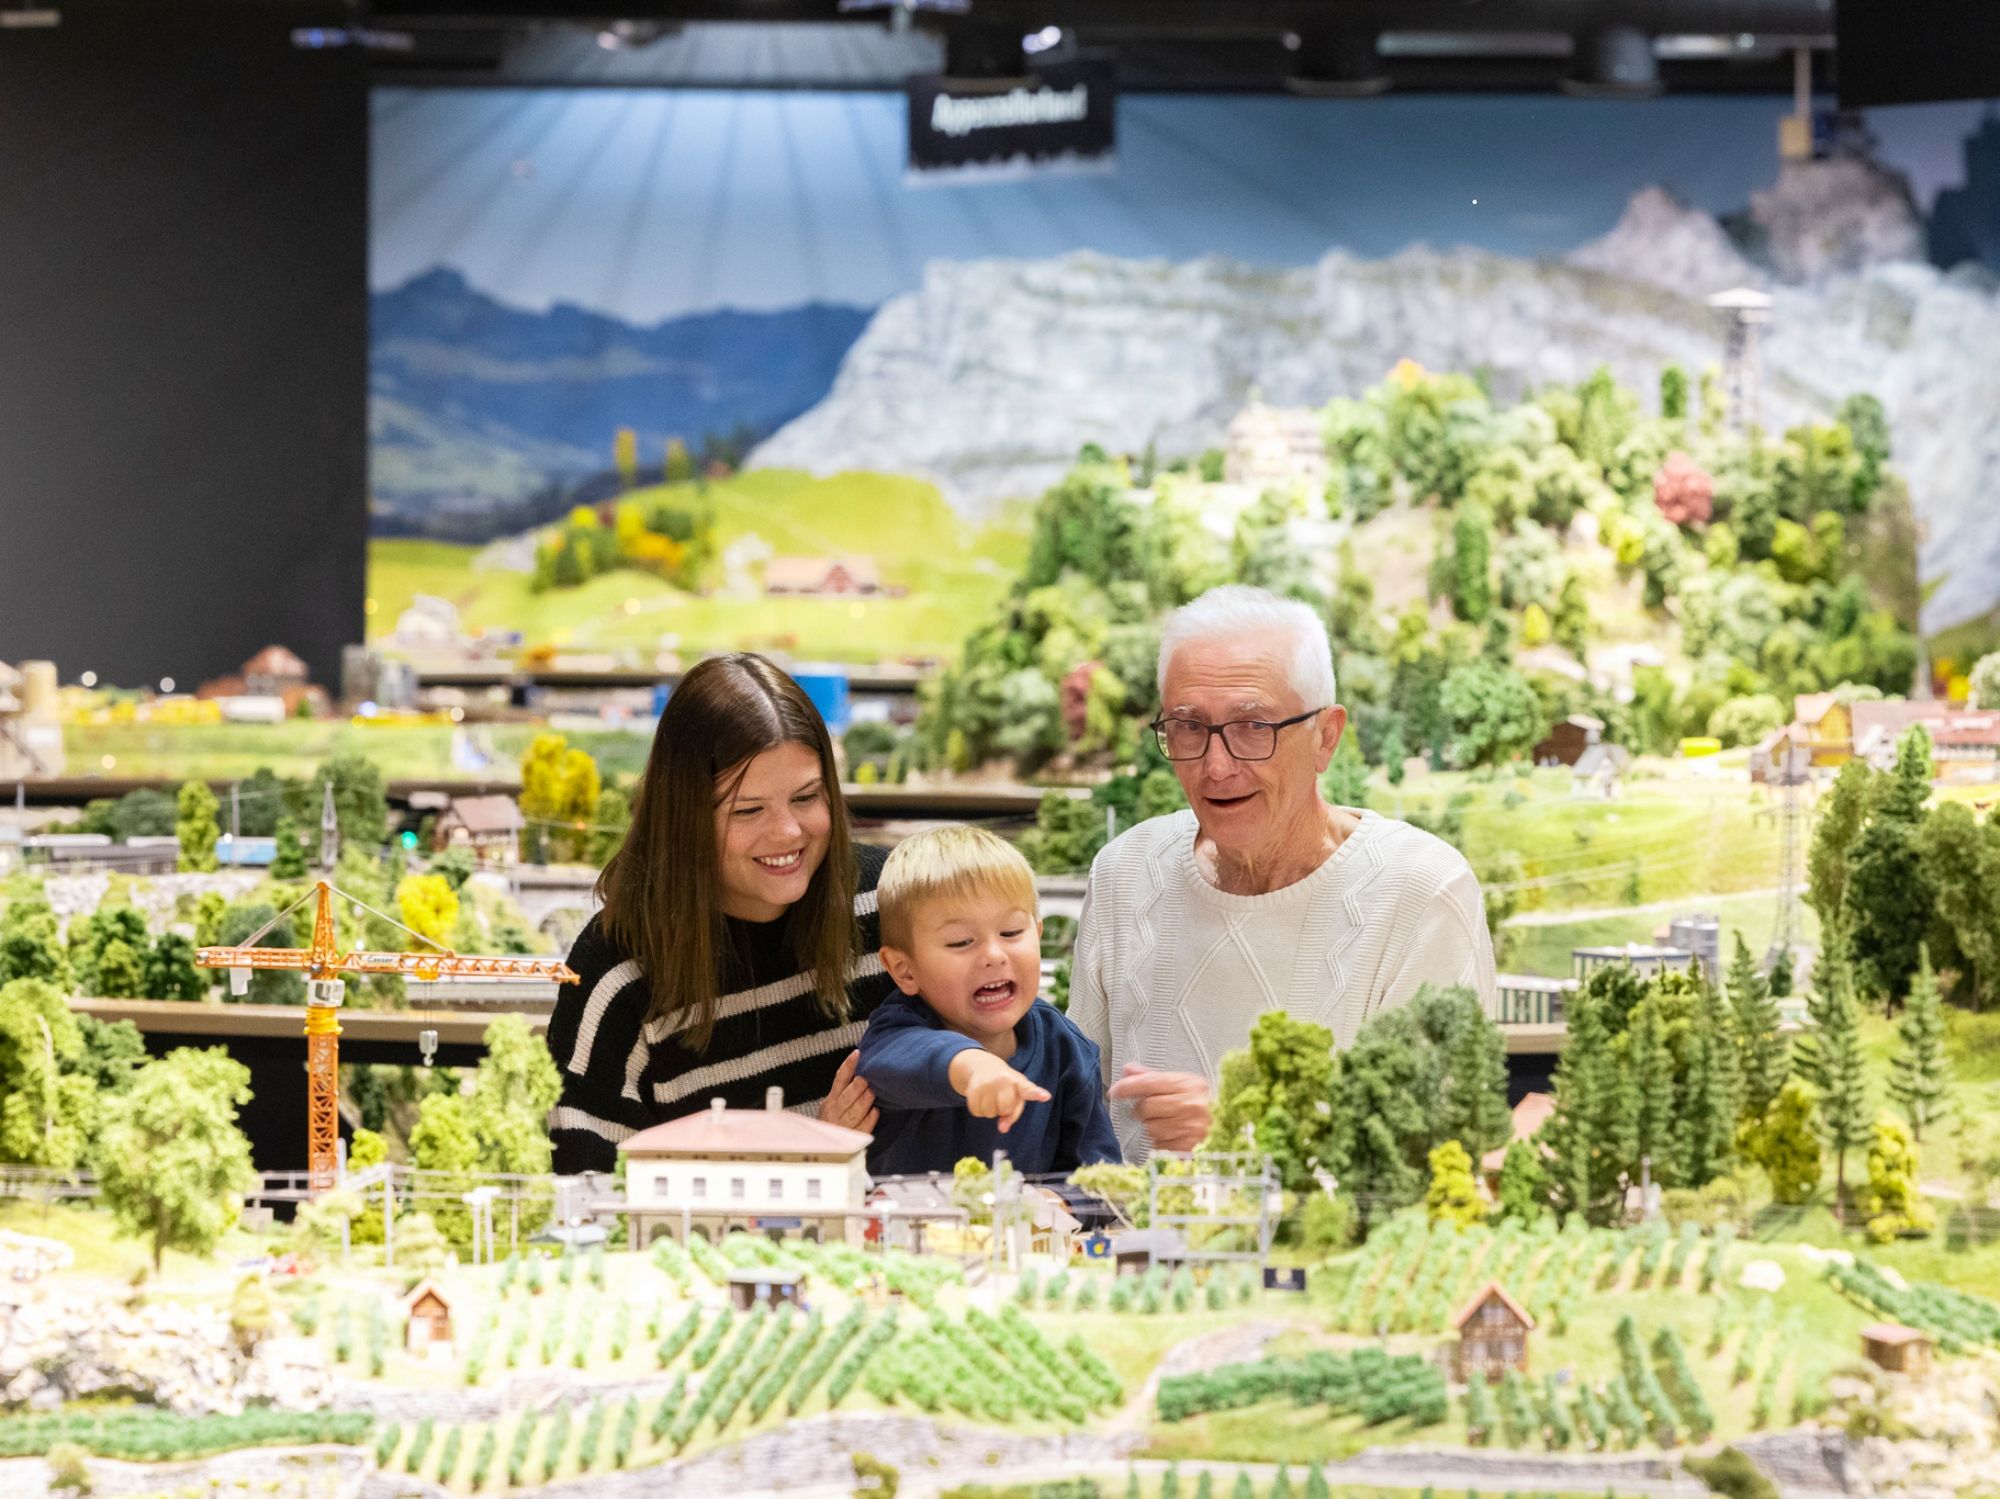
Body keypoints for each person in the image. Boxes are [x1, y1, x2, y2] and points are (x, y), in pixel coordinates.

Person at [1067, 585, 1496, 1161]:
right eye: (1189, 726)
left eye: (1253, 727)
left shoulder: (1422, 891)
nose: (1217, 767)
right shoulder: (1125, 873)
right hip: (1127, 1248)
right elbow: (1076, 1115)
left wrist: (1236, 1136)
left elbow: (1441, 1151)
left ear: (1326, 737)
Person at [547, 653, 894, 1175]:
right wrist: (810, 1162)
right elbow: (583, 1185)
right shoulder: (620, 969)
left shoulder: (891, 903)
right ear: (684, 817)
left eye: (806, 797)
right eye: (747, 810)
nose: (788, 833)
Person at [856, 825, 1119, 1177]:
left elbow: (1099, 1176)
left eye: (1011, 933)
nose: (994, 955)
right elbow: (902, 1062)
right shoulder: (896, 1031)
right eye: (962, 942)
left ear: (1037, 935)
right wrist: (975, 1068)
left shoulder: (1066, 1047)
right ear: (904, 970)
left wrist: (1063, 1204)